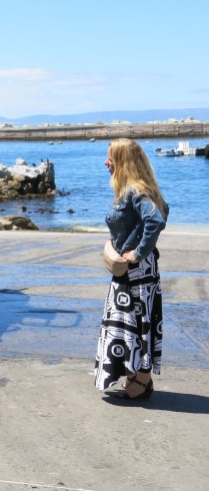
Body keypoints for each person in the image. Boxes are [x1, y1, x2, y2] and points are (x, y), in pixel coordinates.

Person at [94, 138, 168, 401]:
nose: (106, 162)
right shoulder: (136, 189)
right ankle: (136, 378)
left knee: (136, 323)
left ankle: (141, 381)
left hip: (136, 273)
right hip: (137, 272)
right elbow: (163, 210)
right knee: (134, 323)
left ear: (123, 162)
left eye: (111, 158)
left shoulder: (135, 191)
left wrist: (138, 251)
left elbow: (156, 219)